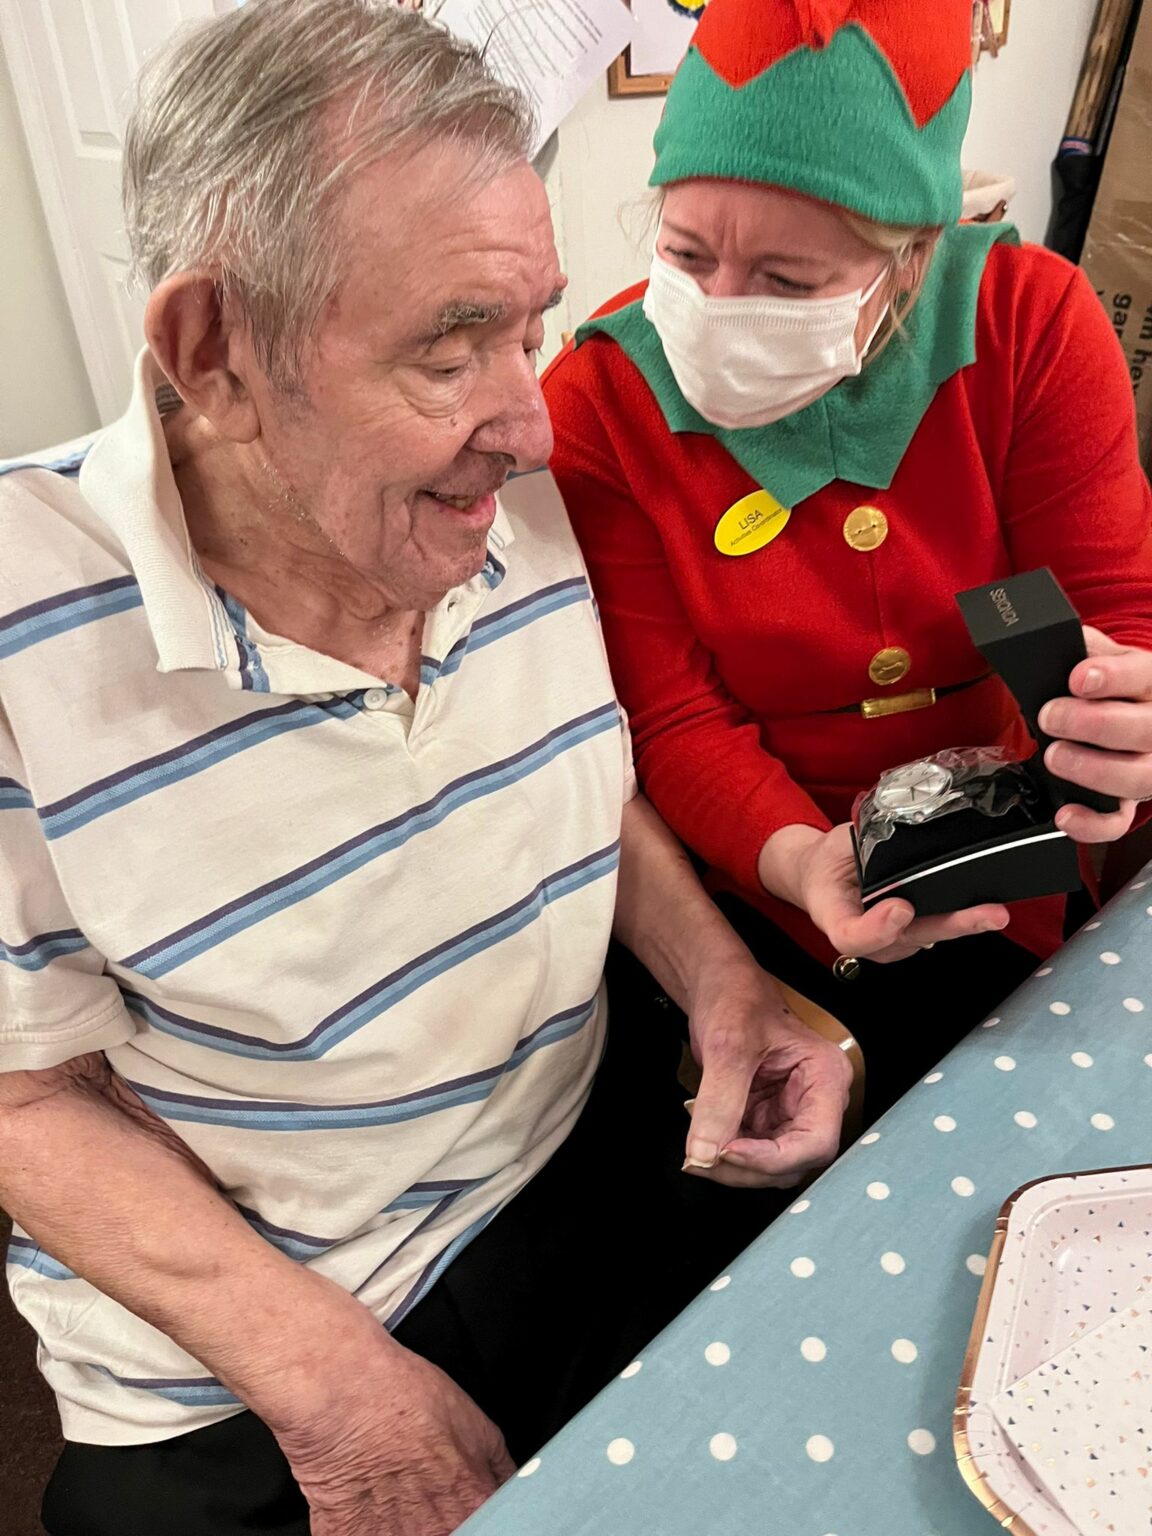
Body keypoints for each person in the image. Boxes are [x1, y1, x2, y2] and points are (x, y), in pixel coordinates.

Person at [0, 4, 853, 1534]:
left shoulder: (494, 501)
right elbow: (24, 1095)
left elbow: (569, 771)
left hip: (572, 1165)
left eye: (532, 331)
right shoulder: (21, 630)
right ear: (212, 356)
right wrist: (336, 1389)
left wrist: (722, 982)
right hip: (253, 1334)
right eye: (450, 352)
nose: (531, 426)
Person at [543, 0, 1152, 1113]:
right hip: (749, 885)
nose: (719, 309)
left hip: (1003, 858)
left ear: (910, 261)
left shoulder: (1029, 324)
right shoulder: (599, 401)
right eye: (684, 253)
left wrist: (1121, 724)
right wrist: (794, 859)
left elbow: (1120, 609)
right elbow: (671, 719)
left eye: (787, 283)